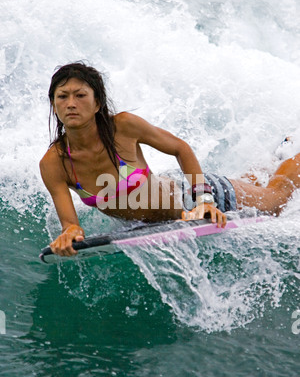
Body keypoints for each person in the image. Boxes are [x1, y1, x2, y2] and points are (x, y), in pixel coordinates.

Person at [40, 62, 300, 257]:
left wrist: (204, 201)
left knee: (276, 199)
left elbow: (180, 148)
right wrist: (70, 233)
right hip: (165, 217)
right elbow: (71, 225)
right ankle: (274, 158)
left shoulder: (123, 127)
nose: (71, 103)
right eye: (62, 96)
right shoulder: (53, 164)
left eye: (80, 95)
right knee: (252, 188)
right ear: (53, 105)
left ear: (98, 104)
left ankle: (293, 153)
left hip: (194, 197)